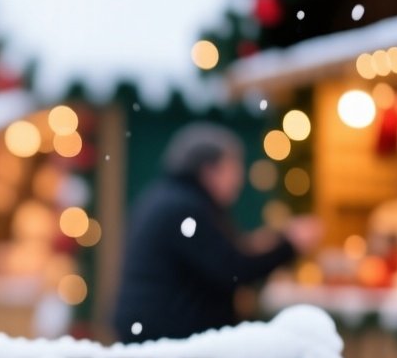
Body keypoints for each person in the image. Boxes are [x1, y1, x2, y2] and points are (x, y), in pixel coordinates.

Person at [112, 123, 321, 343]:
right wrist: (289, 245)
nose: (238, 180)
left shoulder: (170, 199)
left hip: (154, 333)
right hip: (168, 341)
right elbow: (232, 269)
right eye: (233, 168)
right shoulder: (185, 209)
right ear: (209, 169)